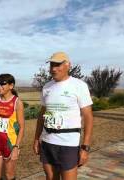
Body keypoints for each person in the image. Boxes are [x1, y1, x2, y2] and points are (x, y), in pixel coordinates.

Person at [33, 52, 93, 180]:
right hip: (47, 142)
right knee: (50, 177)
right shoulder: (47, 87)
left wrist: (85, 147)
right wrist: (37, 138)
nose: (53, 69)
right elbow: (42, 114)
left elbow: (88, 117)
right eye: (51, 65)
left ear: (68, 65)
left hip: (68, 144)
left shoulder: (79, 85)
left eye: (57, 65)